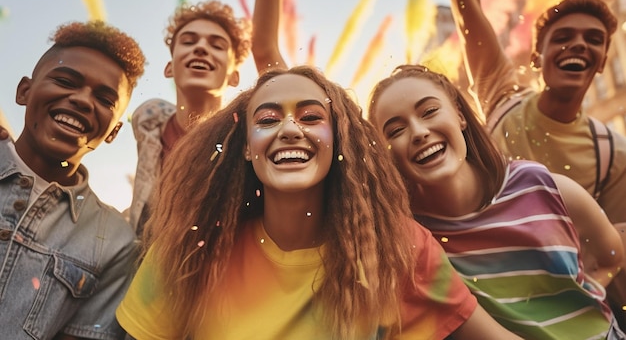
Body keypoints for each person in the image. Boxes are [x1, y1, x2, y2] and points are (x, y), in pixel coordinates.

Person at [116, 65, 522, 340]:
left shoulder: (399, 248)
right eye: (269, 120)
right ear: (245, 148)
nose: (290, 129)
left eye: (311, 117)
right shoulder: (191, 249)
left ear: (339, 140)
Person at [368, 64, 625, 339]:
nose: (419, 132)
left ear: (459, 115)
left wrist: (581, 300)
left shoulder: (539, 185)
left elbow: (611, 255)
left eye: (429, 111)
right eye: (395, 130)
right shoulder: (410, 239)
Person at [446, 0, 626, 326]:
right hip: (476, 306)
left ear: (603, 60)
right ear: (535, 57)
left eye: (594, 39)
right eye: (562, 37)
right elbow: (465, 8)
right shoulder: (502, 99)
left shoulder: (612, 154)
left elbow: (615, 252)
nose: (579, 45)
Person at [0, 21, 145, 339]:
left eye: (106, 100)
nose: (82, 100)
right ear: (24, 91)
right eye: (65, 80)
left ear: (114, 132)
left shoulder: (114, 242)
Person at [128, 0, 251, 235]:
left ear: (234, 77)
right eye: (188, 41)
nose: (201, 48)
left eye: (217, 45)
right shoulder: (148, 121)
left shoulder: (245, 140)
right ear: (169, 68)